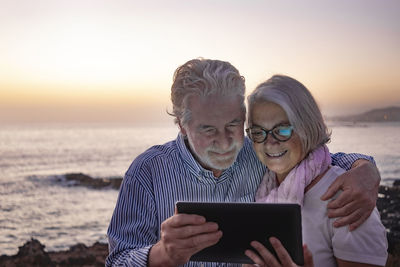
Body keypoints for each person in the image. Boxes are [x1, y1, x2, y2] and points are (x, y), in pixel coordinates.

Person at [106, 58, 381, 267]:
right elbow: (117, 260)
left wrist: (365, 169)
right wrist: (161, 254)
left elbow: (315, 156)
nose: (226, 142)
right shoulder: (148, 172)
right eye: (208, 130)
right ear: (181, 124)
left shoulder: (261, 152)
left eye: (234, 124)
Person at [244, 75, 387, 266]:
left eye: (282, 130)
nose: (270, 142)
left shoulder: (346, 199)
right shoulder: (259, 186)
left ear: (307, 126)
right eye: (258, 132)